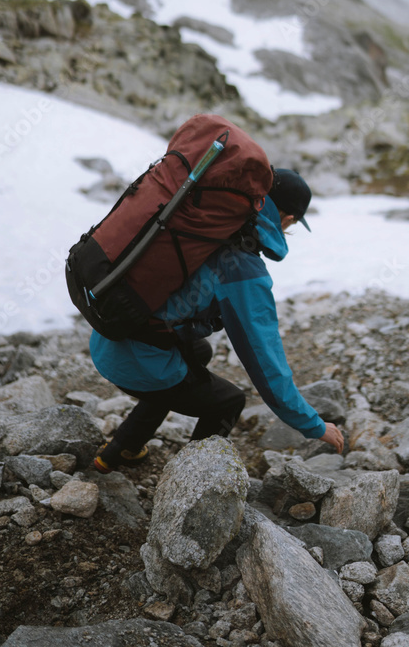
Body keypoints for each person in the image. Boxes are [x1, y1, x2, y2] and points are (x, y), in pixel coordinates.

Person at [89, 168, 345, 472]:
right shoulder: (244, 270)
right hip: (133, 363)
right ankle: (188, 483)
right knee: (229, 402)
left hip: (107, 336)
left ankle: (120, 450)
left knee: (200, 353)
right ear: (287, 219)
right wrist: (313, 425)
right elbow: (266, 362)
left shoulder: (204, 226)